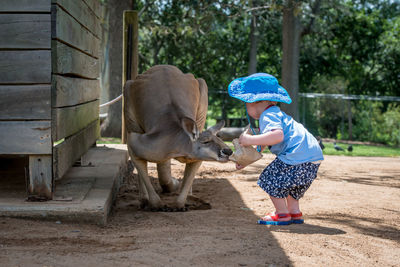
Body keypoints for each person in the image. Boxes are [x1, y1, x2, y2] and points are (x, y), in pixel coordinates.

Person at [228, 73, 324, 225]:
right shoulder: (277, 113)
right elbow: (265, 142)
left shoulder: (267, 116)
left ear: (253, 102)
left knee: (269, 179)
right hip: (313, 157)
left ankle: (281, 214)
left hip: (296, 156)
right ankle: (294, 212)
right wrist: (247, 160)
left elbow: (277, 136)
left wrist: (249, 139)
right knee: (294, 186)